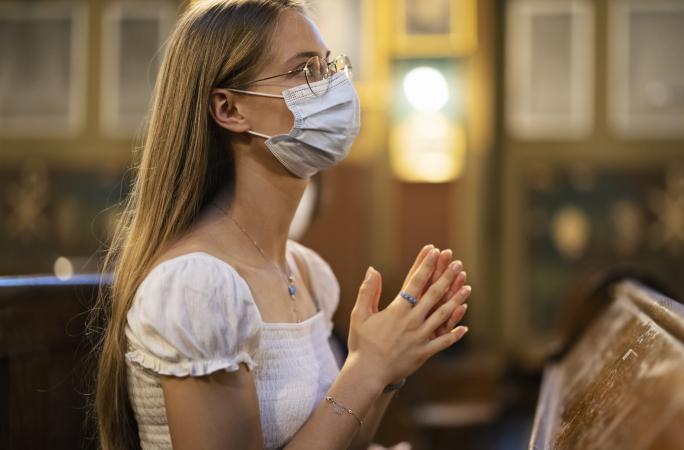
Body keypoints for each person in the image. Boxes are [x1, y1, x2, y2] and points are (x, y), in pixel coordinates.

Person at [87, 1, 472, 449]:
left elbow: (344, 438)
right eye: (304, 72)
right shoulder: (197, 288)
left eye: (329, 67)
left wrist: (388, 369)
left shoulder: (305, 270)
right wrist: (367, 369)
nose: (332, 87)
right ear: (229, 109)